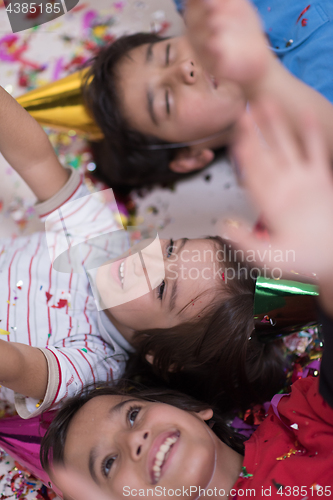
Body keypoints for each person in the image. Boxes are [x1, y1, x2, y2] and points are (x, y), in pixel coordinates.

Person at [40, 99, 333, 500]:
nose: (135, 441)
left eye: (132, 416)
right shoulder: (301, 424)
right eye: (107, 465)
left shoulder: (302, 418)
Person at [0, 84, 286, 419]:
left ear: (162, 357)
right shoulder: (99, 242)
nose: (146, 263)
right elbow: (36, 159)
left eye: (162, 289)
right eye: (171, 249)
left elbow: (14, 365)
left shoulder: (95, 367)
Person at [85, 0, 333, 191]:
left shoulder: (209, 11)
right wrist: (261, 79)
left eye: (168, 53)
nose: (185, 68)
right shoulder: (284, 167)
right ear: (189, 156)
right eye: (167, 101)